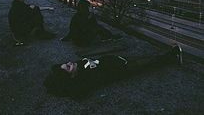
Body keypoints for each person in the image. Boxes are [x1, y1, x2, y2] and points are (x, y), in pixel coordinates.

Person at [44, 45, 183, 98]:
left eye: (66, 63)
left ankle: (171, 57)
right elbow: (79, 92)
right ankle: (173, 56)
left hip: (118, 60)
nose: (69, 63)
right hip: (123, 68)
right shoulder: (85, 79)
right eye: (68, 67)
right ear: (72, 76)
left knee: (148, 60)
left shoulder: (80, 67)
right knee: (148, 63)